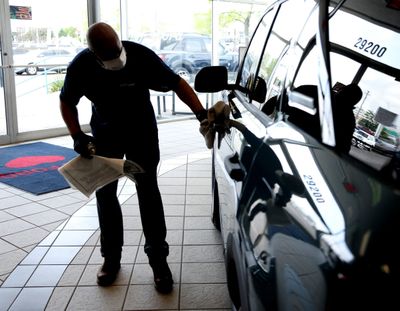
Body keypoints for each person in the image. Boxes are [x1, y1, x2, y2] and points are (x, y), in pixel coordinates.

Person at [59, 22, 208, 293]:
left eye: (117, 51)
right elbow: (67, 101)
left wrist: (201, 114)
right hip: (105, 138)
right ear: (94, 54)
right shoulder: (81, 65)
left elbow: (177, 84)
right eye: (109, 56)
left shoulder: (140, 55)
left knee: (147, 192)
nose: (116, 59)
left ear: (120, 42)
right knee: (106, 196)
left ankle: (159, 262)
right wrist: (77, 135)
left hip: (142, 135)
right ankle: (111, 259)